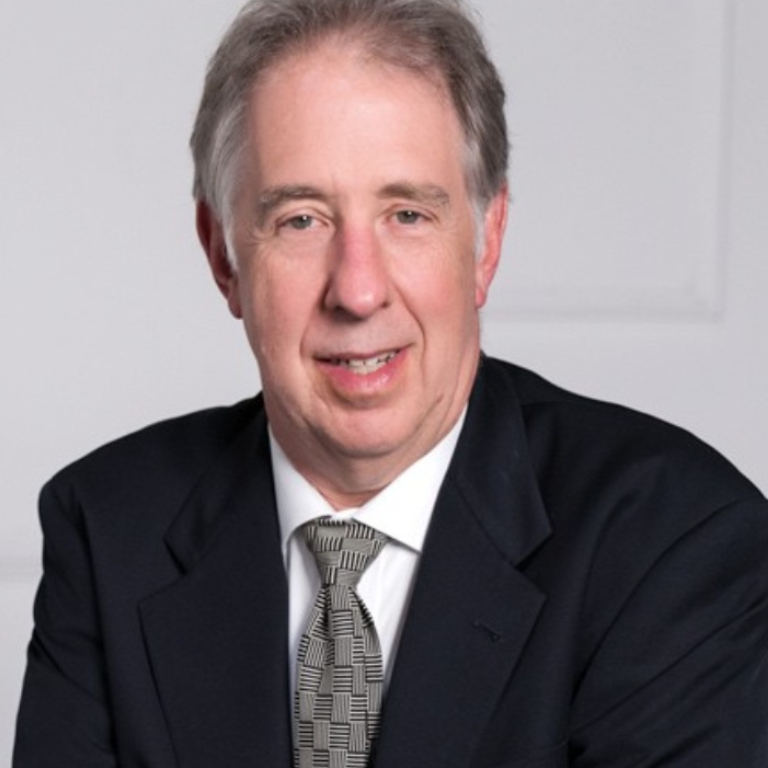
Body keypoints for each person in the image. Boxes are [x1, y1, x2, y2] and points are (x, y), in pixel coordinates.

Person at [13, 0, 768, 765]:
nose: (359, 290)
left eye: (407, 215)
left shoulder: (673, 543)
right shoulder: (109, 531)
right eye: (301, 220)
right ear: (222, 256)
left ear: (486, 241)